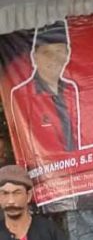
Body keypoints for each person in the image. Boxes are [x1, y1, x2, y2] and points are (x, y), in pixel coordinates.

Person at [10, 20, 81, 167]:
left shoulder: (72, 90)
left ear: (67, 54)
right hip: (47, 177)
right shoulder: (22, 95)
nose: (53, 59)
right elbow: (22, 145)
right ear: (34, 56)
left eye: (58, 52)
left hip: (78, 171)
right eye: (46, 53)